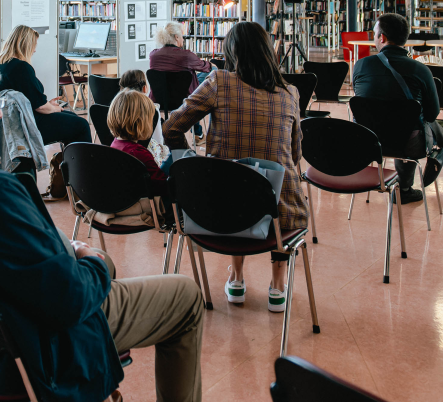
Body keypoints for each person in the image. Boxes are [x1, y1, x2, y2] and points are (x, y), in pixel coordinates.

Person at [0, 59, 205, 402]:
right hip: (34, 345)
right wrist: (91, 258)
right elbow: (71, 300)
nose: (3, 114)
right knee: (183, 296)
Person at [163, 21, 308, 313]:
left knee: (235, 182)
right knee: (270, 188)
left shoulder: (219, 82)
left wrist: (190, 160)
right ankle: (278, 286)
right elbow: (295, 154)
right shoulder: (290, 91)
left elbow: (171, 127)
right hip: (280, 212)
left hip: (220, 208)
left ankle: (237, 277)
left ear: (232, 52)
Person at [351, 13, 443, 203]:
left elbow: (363, 100)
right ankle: (404, 189)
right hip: (407, 144)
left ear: (382, 37)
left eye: (375, 34)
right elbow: (432, 113)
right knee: (415, 119)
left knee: (408, 116)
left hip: (368, 140)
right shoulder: (421, 70)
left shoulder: (361, 65)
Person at [0, 24, 91, 146]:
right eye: (34, 45)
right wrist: (54, 108)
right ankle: (83, 164)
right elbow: (40, 107)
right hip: (29, 124)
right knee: (81, 125)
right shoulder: (21, 67)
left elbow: (31, 99)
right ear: (26, 45)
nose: (34, 50)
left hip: (14, 121)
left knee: (71, 116)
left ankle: (71, 162)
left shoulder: (0, 66)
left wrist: (48, 105)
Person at [107, 89, 167, 197]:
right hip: (144, 204)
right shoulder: (140, 153)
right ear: (141, 122)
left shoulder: (114, 144)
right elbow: (163, 185)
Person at [119, 68, 169, 164]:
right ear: (145, 88)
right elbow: (158, 139)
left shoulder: (116, 108)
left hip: (120, 151)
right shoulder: (152, 109)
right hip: (145, 156)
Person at [149, 22, 212, 95]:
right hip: (187, 100)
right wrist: (212, 64)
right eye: (182, 36)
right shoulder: (186, 55)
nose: (183, 39)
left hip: (160, 99)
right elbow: (206, 67)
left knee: (194, 75)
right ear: (176, 37)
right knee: (213, 70)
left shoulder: (153, 55)